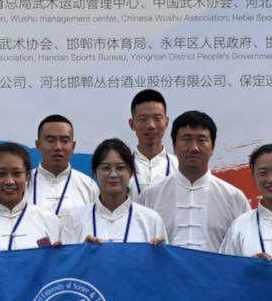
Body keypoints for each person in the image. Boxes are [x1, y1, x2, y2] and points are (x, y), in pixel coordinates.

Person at [136, 110, 249, 251]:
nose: (194, 148)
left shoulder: (234, 198)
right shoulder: (150, 196)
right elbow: (136, 248)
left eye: (201, 140)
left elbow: (246, 249)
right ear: (174, 146)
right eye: (186, 139)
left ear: (212, 147)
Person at [59, 138, 168, 245]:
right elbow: (66, 257)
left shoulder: (151, 220)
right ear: (95, 172)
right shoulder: (74, 219)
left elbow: (163, 257)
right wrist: (82, 250)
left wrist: (159, 251)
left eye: (120, 168)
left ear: (131, 172)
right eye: (106, 168)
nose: (113, 174)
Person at [28, 114, 98, 213]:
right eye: (50, 140)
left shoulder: (88, 186)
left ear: (73, 146)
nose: (58, 147)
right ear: (38, 145)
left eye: (64, 141)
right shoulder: (23, 184)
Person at [128, 89, 178, 194]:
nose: (151, 125)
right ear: (132, 124)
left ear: (166, 122)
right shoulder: (123, 168)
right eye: (143, 119)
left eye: (157, 118)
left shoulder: (179, 167)